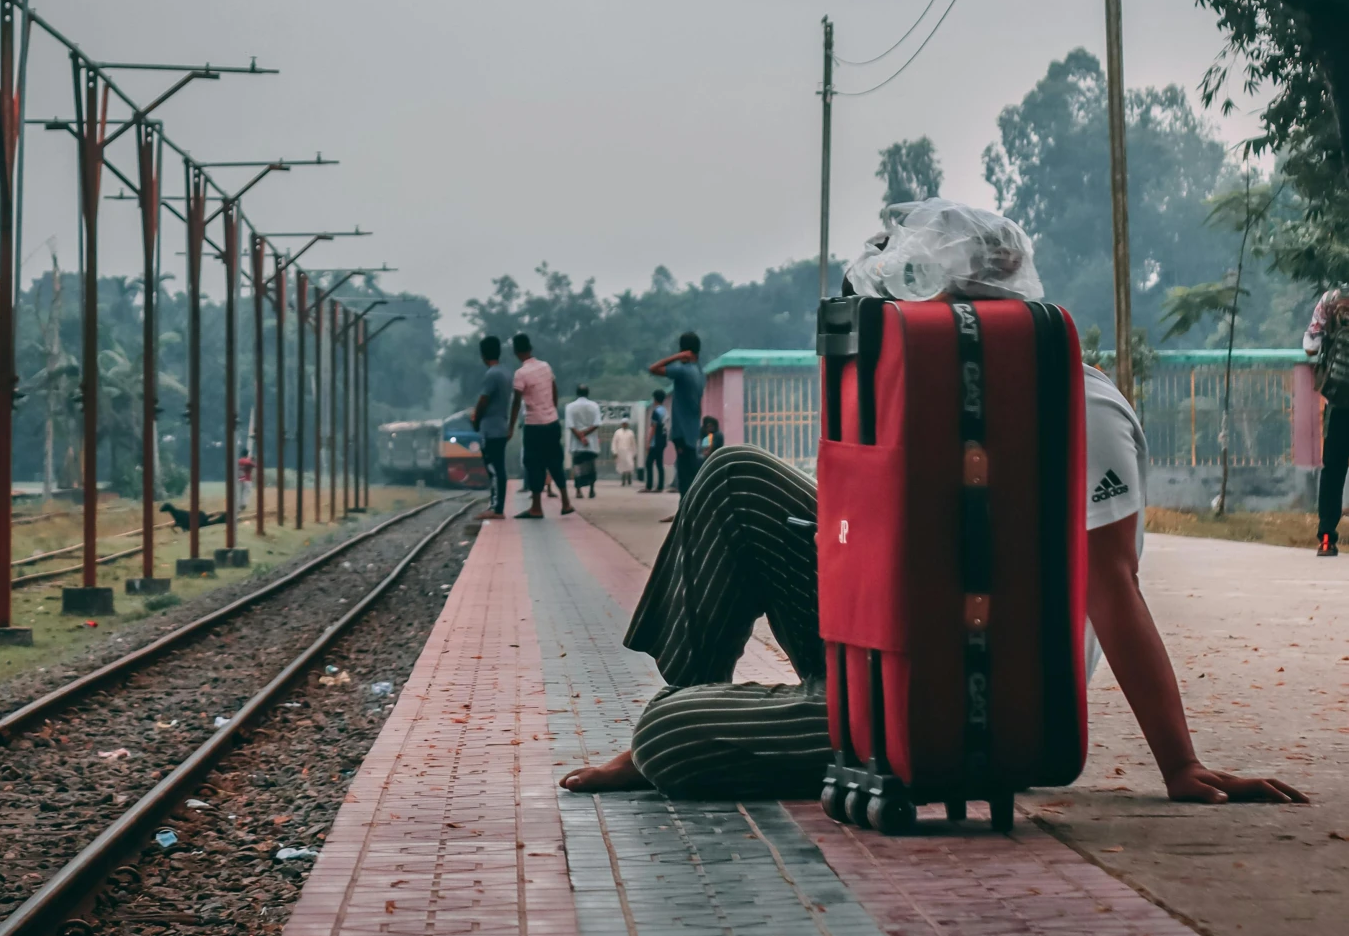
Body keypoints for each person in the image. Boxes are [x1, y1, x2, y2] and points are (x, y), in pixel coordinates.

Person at [563, 201, 1306, 808]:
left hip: (961, 685)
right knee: (735, 476)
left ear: (976, 296)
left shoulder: (1075, 403)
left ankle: (749, 724)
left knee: (672, 738)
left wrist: (1179, 765)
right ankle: (739, 708)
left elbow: (1110, 583)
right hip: (888, 623)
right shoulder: (932, 380)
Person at [506, 333, 574, 520]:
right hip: (552, 423)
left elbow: (516, 403)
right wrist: (551, 409)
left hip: (534, 425)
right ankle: (566, 502)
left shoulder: (520, 374)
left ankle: (536, 507)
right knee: (555, 461)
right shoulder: (545, 366)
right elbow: (554, 390)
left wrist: (511, 427)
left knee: (534, 464)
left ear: (516, 352)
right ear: (530, 348)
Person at [1303, 285, 1349, 557]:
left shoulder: (1330, 300)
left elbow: (1311, 346)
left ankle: (1326, 538)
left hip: (1340, 396)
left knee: (1333, 468)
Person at [650, 332, 704, 492]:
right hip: (692, 430)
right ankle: (686, 509)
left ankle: (685, 511)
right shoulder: (700, 373)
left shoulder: (683, 371)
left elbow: (653, 368)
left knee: (684, 474)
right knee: (689, 472)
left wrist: (676, 356)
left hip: (682, 431)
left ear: (684, 350)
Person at [469, 335, 513, 520]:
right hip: (502, 425)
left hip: (491, 429)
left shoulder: (492, 374)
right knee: (499, 467)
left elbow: (483, 400)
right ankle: (497, 505)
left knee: (494, 468)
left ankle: (496, 508)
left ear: (483, 355)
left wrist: (475, 419)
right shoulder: (506, 373)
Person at [565, 383, 603, 498]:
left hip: (577, 443)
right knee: (591, 467)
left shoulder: (570, 406)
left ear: (577, 393)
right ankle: (591, 490)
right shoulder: (594, 406)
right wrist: (585, 434)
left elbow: (571, 425)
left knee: (577, 467)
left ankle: (578, 491)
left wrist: (580, 436)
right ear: (588, 393)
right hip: (590, 443)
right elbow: (596, 424)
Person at [644, 390, 669, 492]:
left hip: (656, 441)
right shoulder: (665, 411)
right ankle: (660, 486)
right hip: (663, 440)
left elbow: (653, 427)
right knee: (659, 463)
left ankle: (649, 486)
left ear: (655, 399)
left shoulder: (656, 411)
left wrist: (648, 442)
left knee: (649, 463)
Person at [611, 419, 639, 487]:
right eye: (623, 423)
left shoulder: (630, 432)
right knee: (622, 466)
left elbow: (633, 444)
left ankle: (629, 479)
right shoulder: (617, 432)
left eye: (626, 423)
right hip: (620, 451)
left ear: (627, 424)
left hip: (629, 451)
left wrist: (635, 453)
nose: (624, 424)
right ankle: (623, 480)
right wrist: (614, 452)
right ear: (621, 424)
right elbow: (614, 443)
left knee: (630, 465)